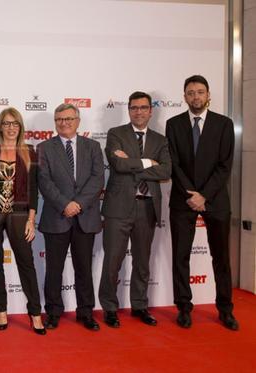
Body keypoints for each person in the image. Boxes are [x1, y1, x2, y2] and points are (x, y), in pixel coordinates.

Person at [166, 75, 238, 330]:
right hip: (182, 200)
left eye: (200, 92)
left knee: (221, 258)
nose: (195, 96)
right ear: (184, 96)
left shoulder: (224, 124)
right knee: (180, 256)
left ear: (208, 95)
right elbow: (173, 163)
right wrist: (191, 195)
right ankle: (184, 308)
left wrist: (204, 195)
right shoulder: (173, 124)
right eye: (190, 92)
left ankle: (225, 309)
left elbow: (224, 165)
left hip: (215, 200)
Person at [99, 91, 171, 328]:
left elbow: (166, 172)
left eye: (143, 107)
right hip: (118, 209)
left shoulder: (161, 140)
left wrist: (133, 164)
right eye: (134, 108)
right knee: (112, 261)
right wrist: (149, 163)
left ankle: (140, 305)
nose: (138, 112)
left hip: (147, 208)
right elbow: (117, 165)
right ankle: (110, 307)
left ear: (151, 110)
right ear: (128, 110)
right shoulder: (116, 134)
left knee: (142, 262)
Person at [0, 107, 45, 335]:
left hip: (19, 214)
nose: (11, 127)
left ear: (20, 127)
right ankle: (1, 310)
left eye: (15, 124)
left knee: (27, 264)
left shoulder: (30, 152)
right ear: (0, 126)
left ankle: (35, 313)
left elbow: (33, 190)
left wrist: (31, 220)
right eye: (7, 123)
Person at [37, 103, 104, 331]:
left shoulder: (93, 146)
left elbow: (97, 180)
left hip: (85, 217)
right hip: (57, 216)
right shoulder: (44, 148)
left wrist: (78, 204)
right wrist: (65, 204)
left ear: (77, 120)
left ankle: (86, 312)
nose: (63, 123)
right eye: (59, 119)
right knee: (53, 269)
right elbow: (44, 181)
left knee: (84, 268)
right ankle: (53, 312)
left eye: (68, 119)